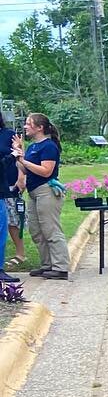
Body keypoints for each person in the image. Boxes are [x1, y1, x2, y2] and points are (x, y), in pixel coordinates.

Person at [11, 113, 67, 280]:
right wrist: (19, 153)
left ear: (40, 127)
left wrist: (24, 160)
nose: (26, 126)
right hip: (34, 192)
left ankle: (61, 267)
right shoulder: (33, 147)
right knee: (36, 230)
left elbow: (46, 171)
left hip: (46, 191)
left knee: (51, 228)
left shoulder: (48, 147)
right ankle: (47, 264)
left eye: (29, 124)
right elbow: (26, 169)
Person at [0, 110, 21, 284]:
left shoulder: (8, 135)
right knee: (1, 229)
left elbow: (20, 153)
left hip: (5, 186)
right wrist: (12, 156)